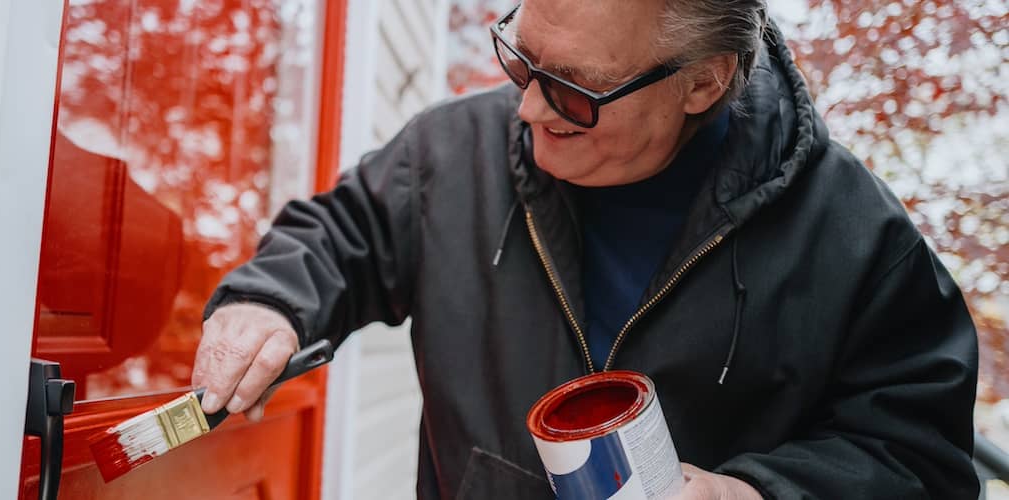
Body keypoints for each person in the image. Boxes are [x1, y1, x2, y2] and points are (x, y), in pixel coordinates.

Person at [191, 0, 981, 498]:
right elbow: (339, 236)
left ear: (703, 83)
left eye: (573, 87)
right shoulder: (449, 151)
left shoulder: (856, 233)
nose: (529, 106)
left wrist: (755, 494)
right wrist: (268, 301)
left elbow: (921, 461)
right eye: (519, 55)